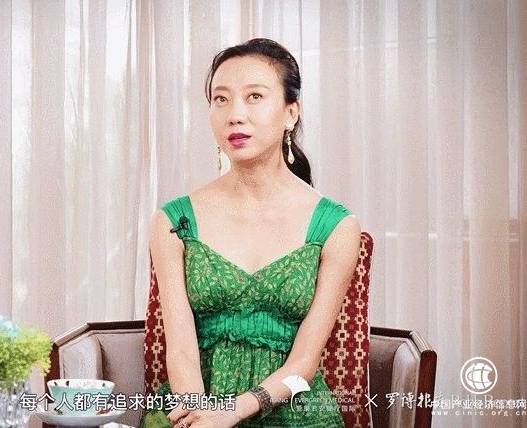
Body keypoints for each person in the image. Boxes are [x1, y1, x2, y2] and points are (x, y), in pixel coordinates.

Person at [139, 38, 361, 428]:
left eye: (254, 96)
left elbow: (305, 364)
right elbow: (180, 350)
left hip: (293, 412)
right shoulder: (173, 220)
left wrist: (235, 410)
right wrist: (197, 415)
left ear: (291, 112)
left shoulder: (336, 227)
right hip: (194, 409)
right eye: (221, 100)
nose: (234, 115)